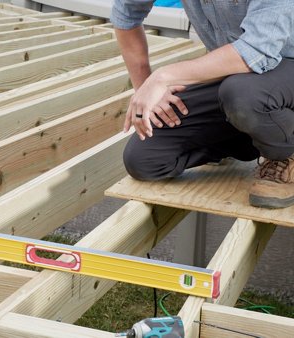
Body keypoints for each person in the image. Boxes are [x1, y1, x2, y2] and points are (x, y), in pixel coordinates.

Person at [111, 1, 294, 209]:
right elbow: (126, 13)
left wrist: (162, 77)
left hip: (279, 68)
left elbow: (257, 50)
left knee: (242, 94)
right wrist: (145, 87)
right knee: (145, 159)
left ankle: (284, 154)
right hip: (235, 79)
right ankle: (257, 134)